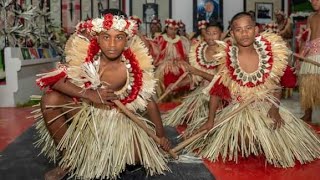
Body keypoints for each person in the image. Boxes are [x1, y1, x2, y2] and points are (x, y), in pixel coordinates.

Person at [34, 9, 171, 180]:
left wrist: (161, 135)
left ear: (127, 38)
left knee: (135, 159)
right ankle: (68, 159)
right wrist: (88, 94)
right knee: (50, 99)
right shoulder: (84, 55)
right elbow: (54, 80)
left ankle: (104, 153)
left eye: (119, 37)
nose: (112, 44)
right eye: (106, 37)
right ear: (97, 37)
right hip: (87, 116)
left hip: (117, 122)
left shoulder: (133, 64)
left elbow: (148, 101)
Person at [184, 12, 320, 168]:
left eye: (248, 28)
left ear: (256, 30)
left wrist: (274, 109)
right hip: (239, 111)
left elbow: (277, 85)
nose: (244, 33)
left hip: (266, 106)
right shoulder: (228, 59)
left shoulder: (269, 53)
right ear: (232, 34)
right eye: (238, 30)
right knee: (245, 139)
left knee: (278, 139)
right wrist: (210, 120)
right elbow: (217, 91)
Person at [163, 22, 224, 127]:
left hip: (218, 95)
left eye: (215, 33)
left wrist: (197, 72)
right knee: (186, 115)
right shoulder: (199, 49)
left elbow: (219, 81)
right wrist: (176, 85)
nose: (211, 36)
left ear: (221, 35)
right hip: (200, 92)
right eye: (208, 33)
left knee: (204, 119)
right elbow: (194, 79)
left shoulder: (225, 53)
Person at [150, 18, 190, 102]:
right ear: (166, 28)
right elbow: (154, 51)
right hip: (164, 66)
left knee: (184, 81)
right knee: (166, 79)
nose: (173, 31)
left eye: (176, 29)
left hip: (180, 65)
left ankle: (179, 103)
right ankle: (166, 102)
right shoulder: (159, 39)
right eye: (171, 29)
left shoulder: (183, 40)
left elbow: (187, 56)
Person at [299, 0, 320, 122]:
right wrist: (302, 54)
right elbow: (306, 38)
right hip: (310, 54)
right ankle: (308, 114)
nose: (313, 1)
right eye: (311, 0)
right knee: (307, 86)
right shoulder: (311, 17)